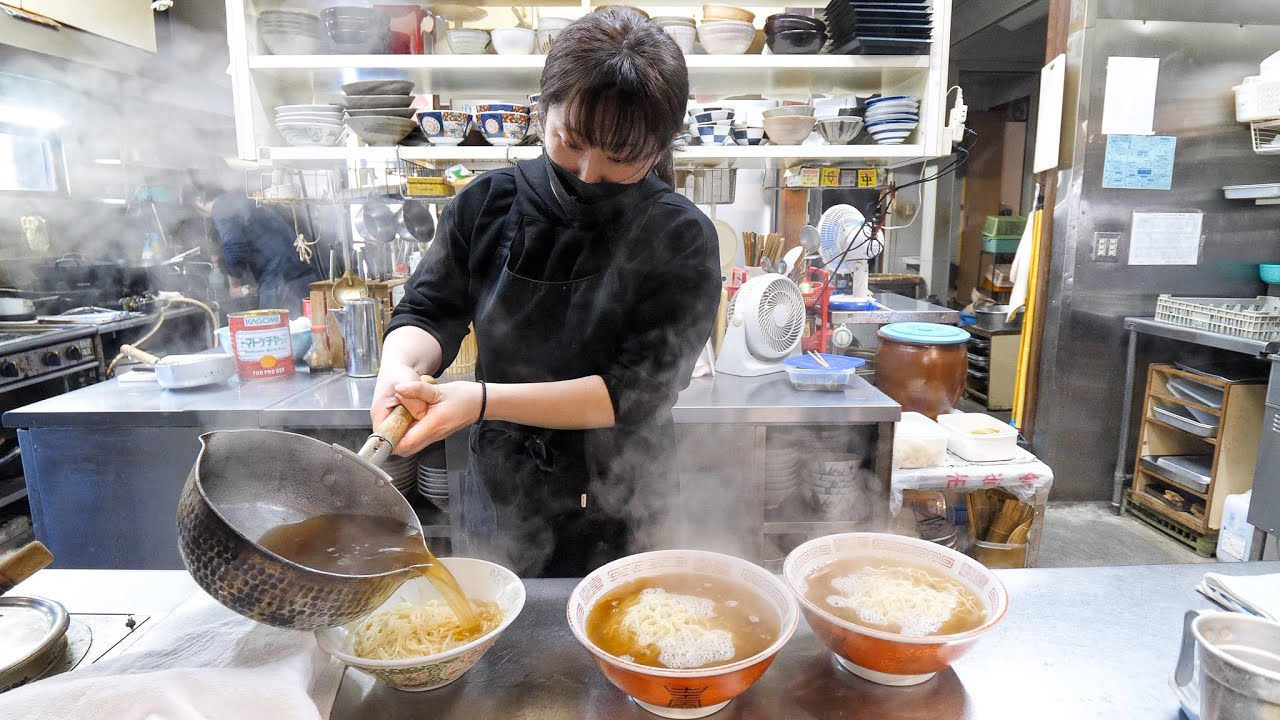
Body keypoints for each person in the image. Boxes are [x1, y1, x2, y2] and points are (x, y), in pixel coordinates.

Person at [372, 8, 721, 578]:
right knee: (503, 647)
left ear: (660, 148)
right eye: (572, 141)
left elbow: (634, 393)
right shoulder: (487, 204)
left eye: (621, 157)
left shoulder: (679, 236)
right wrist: (398, 370)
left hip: (626, 499)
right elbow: (428, 311)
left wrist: (482, 401)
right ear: (541, 112)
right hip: (504, 488)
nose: (588, 173)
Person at [191, 184, 321, 317]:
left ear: (199, 199)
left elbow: (234, 247)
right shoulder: (244, 200)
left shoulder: (221, 207)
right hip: (301, 276)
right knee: (307, 330)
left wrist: (234, 286)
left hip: (281, 284)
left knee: (274, 332)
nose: (206, 217)